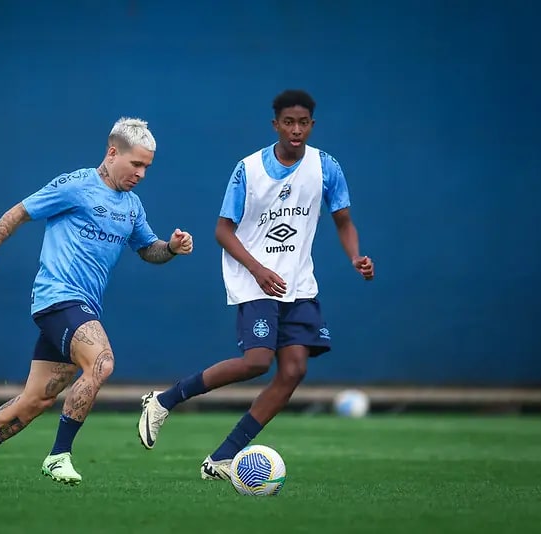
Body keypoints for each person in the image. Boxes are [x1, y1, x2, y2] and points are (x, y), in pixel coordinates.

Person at [0, 117, 194, 490]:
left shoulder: (132, 205)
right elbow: (17, 214)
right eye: (135, 164)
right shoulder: (76, 185)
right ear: (112, 153)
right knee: (102, 362)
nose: (141, 173)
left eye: (146, 167)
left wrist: (170, 248)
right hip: (57, 298)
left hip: (82, 306)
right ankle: (59, 455)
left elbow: (148, 250)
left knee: (36, 400)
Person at [137, 89, 374, 479]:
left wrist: (355, 258)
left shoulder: (325, 166)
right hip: (254, 280)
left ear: (312, 125)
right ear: (276, 125)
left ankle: (222, 458)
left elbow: (344, 221)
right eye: (288, 122)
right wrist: (259, 270)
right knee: (257, 362)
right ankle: (164, 400)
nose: (296, 130)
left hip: (299, 283)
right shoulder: (248, 169)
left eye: (303, 123)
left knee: (294, 370)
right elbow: (222, 231)